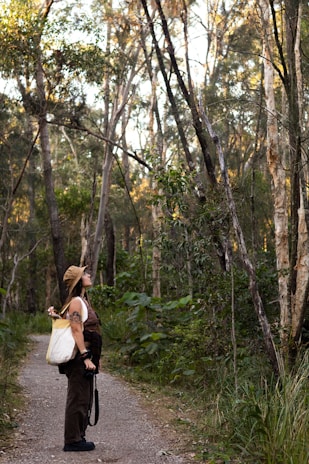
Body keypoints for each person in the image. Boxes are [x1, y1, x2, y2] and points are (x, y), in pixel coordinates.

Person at [49, 265, 102, 452]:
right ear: (79, 280)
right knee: (77, 398)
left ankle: (78, 436)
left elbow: (69, 321)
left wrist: (56, 316)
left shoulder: (80, 300)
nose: (88, 275)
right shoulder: (77, 302)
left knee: (84, 398)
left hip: (84, 358)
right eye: (85, 274)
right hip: (81, 359)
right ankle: (72, 440)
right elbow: (76, 329)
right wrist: (86, 357)